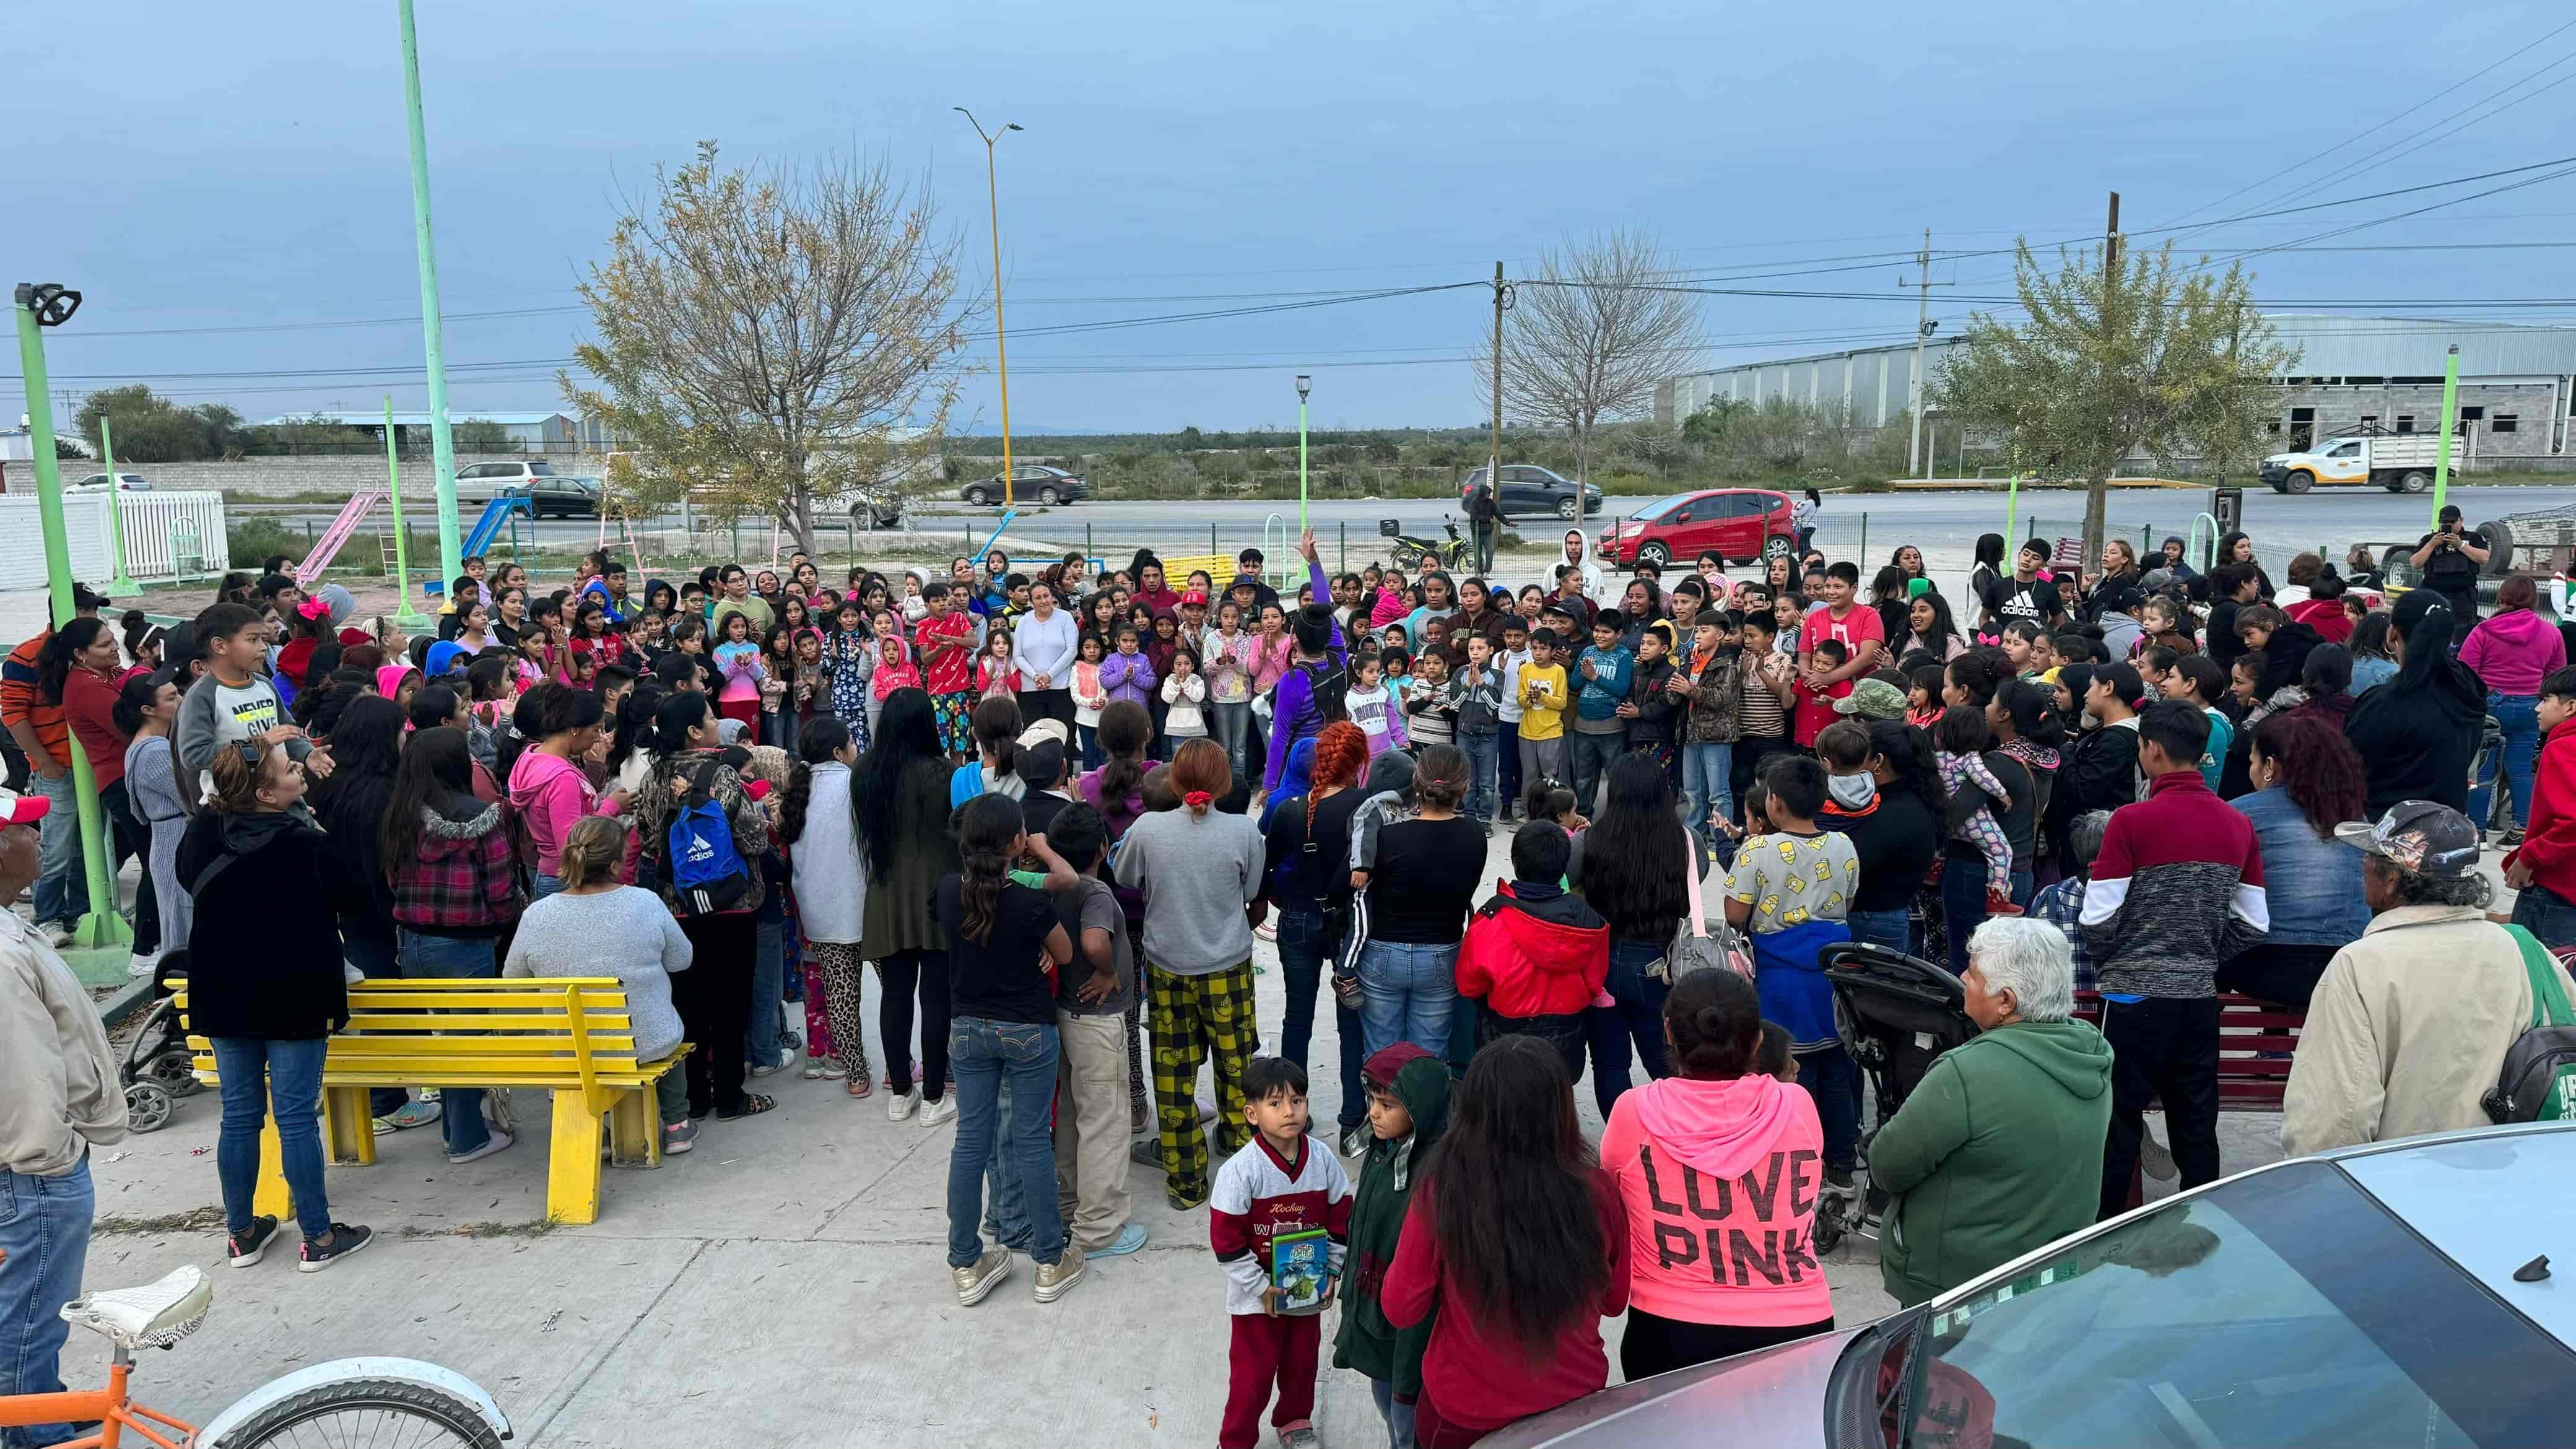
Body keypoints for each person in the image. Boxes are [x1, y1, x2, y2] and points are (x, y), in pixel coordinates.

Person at [2285, 799, 2574, 1155]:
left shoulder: (2361, 965)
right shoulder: (2523, 949)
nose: (2362, 863)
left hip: (2405, 1188)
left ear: (2392, 880)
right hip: (2519, 1179)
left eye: (2372, 858)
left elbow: (2332, 1124)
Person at [183, 740, 373, 1271]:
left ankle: (241, 1232)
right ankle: (318, 1236)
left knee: (239, 1117)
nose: (300, 768)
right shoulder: (304, 843)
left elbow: (184, 878)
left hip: (222, 989)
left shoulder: (202, 832)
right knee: (294, 1119)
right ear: (267, 793)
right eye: (290, 767)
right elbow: (354, 898)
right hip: (296, 992)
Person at [1383, 1037, 1628, 1447]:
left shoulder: (1441, 1188)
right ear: (1560, 1108)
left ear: (1472, 1108)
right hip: (1574, 1403)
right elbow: (1615, 1301)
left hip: (1464, 1413)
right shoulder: (1599, 1191)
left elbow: (1401, 1307)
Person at [2080, 700, 2268, 1218]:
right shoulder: (2237, 823)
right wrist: (2203, 958)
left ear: (2152, 750)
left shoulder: (2131, 821)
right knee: (2195, 1124)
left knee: (2117, 1123)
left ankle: (2105, 1233)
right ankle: (2203, 1227)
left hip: (2133, 995)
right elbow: (2254, 924)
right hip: (2198, 998)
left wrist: (2122, 962)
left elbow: (2097, 919)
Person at [1601, 967, 1830, 1378]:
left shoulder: (1632, 1113)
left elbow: (1612, 1202)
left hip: (1669, 1330)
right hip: (1796, 1324)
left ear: (1668, 1033)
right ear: (1758, 1041)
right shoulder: (1797, 1106)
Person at [1872, 918, 2112, 1307]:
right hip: (2053, 1275)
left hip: (1959, 1287)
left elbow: (1886, 1167)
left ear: (2006, 1002)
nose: (1963, 976)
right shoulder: (2091, 1052)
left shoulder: (1965, 1073)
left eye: (1975, 973)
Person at [0, 781, 124, 1445]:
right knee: (30, 1311)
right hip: (33, 1171)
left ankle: (36, 1404)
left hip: (31, 1167)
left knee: (31, 1304)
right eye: (24, 829)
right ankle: (28, 1431)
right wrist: (49, 1158)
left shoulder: (10, 926)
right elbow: (21, 1075)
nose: (38, 837)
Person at [938, 792, 1083, 1308]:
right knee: (1030, 1140)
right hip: (1026, 1030)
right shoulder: (1028, 901)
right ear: (1018, 842)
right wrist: (1039, 949)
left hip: (966, 1030)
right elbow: (1064, 952)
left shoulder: (948, 891)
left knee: (970, 1142)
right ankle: (1049, 1259)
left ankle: (965, 1262)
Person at [1116, 739, 1266, 1209]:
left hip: (1168, 969)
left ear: (1175, 782)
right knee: (1238, 1066)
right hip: (1228, 967)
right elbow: (1254, 889)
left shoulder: (1147, 829)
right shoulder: (1244, 832)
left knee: (1173, 1074)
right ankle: (1243, 1170)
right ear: (1224, 782)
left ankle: (1186, 1184)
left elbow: (1124, 875)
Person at [507, 816, 697, 1154]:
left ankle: (595, 1129)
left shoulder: (537, 914)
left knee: (579, 1053)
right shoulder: (645, 902)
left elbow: (514, 982)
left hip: (575, 1050)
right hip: (645, 1041)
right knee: (666, 1033)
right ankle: (676, 1124)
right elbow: (682, 960)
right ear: (614, 864)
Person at [629, 690, 773, 1122]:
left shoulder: (653, 778)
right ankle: (731, 1094)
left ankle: (695, 1095)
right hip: (732, 903)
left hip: (680, 905)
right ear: (695, 731)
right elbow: (754, 837)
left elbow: (650, 841)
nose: (716, 721)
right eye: (710, 717)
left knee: (689, 1000)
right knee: (731, 1000)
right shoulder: (722, 775)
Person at [383, 725, 524, 1163]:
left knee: (446, 1039)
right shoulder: (483, 817)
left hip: (412, 941)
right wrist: (504, 922)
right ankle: (465, 1137)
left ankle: (456, 1127)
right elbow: (501, 888)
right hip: (465, 944)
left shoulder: (400, 815)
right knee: (468, 1041)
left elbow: (391, 879)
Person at [1212, 1057, 1353, 1449]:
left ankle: (1293, 1421)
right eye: (1275, 1104)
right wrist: (1260, 1288)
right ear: (1252, 1113)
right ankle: (1236, 1439)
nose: (1289, 1111)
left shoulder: (1322, 1158)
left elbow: (1342, 1214)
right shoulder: (1241, 1172)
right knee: (1251, 1376)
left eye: (1298, 1100)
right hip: (1257, 1301)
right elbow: (1226, 1240)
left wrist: (1331, 1271)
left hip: (1307, 1289)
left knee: (1302, 1363)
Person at [1035, 803, 1147, 1260]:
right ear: (1103, 848)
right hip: (1098, 1024)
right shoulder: (1096, 892)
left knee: (1072, 1118)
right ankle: (1099, 1229)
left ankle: (1070, 1207)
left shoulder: (1053, 886)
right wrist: (1105, 971)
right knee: (1105, 1122)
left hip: (1063, 1016)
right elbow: (1095, 941)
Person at [1260, 723, 1374, 1155]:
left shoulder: (1289, 809)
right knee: (1352, 1023)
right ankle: (1352, 1121)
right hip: (1350, 924)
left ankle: (1290, 1116)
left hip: (1299, 918)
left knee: (1297, 1018)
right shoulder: (1364, 806)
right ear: (1359, 763)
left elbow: (1270, 871)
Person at [1334, 1042, 1452, 1449]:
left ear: (1421, 1109)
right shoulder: (1383, 1146)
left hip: (1412, 1329)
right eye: (1372, 1100)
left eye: (1388, 1105)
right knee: (1388, 1407)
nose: (1373, 1113)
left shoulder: (1438, 1176)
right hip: (1375, 1311)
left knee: (1408, 1420)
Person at [1569, 754, 1695, 1115]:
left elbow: (1568, 881)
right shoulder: (1688, 842)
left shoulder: (1589, 842)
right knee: (1666, 1062)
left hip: (1602, 964)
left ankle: (1621, 1144)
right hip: (1660, 963)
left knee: (1610, 1064)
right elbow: (1695, 883)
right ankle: (1674, 1133)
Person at [858, 689, 962, 1124]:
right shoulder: (945, 772)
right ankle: (937, 1096)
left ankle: (900, 1090)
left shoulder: (865, 772)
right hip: (938, 892)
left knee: (895, 994)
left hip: (885, 894)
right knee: (937, 997)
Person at [2220, 713, 2371, 1008]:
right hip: (2341, 967)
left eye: (2253, 762)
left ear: (2270, 767)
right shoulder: (2355, 818)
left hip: (2257, 968)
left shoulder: (2239, 814)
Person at [1354, 746, 1483, 1063]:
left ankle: (1383, 1110)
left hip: (1383, 951)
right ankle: (1424, 1113)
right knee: (1430, 1058)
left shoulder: (1388, 836)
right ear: (1464, 788)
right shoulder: (1475, 835)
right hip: (1442, 952)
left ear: (1416, 781)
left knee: (1381, 1058)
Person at [1455, 820, 1608, 1082]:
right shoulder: (1589, 919)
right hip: (1566, 1035)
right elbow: (1596, 982)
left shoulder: (1492, 917)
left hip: (1504, 1035)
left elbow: (1469, 985)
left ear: (1516, 861)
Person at [2346, 591, 2486, 820]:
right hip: (2447, 829)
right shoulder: (2469, 696)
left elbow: (2349, 767)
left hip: (2389, 833)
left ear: (2393, 633)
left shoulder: (2385, 703)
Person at [1819, 720, 1941, 955]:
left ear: (1878, 761)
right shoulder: (1905, 800)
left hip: (1871, 920)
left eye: (1859, 755)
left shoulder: (1896, 811)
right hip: (1879, 917)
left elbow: (1852, 860)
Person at [2462, 574, 2567, 837]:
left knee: (2483, 770)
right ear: (2534, 599)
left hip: (2490, 707)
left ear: (2502, 597)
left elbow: (2465, 672)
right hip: (2531, 707)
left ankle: (2478, 832)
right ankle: (2521, 829)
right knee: (2520, 769)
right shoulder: (2551, 633)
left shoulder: (2484, 631)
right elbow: (2557, 677)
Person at [2507, 667, 2576, 947]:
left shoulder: (2563, 748)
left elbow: (2571, 821)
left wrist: (2528, 858)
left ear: (2571, 706)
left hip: (2556, 886)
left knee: (2537, 977)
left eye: (2546, 699)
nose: (2537, 708)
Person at [2408, 503, 2489, 622]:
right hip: (2434, 594)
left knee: (2463, 629)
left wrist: (2460, 545)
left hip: (2462, 596)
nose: (2449, 525)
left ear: (2461, 520)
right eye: (2445, 522)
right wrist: (2432, 545)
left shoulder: (2473, 538)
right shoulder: (2429, 539)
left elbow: (2484, 558)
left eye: (2452, 522)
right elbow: (2415, 564)